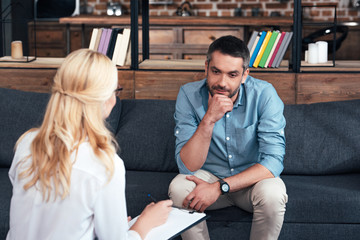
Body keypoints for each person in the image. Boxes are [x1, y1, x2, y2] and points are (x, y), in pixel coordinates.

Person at [7, 49, 172, 240]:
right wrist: (145, 222)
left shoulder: (27, 143)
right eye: (115, 90)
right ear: (107, 99)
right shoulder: (105, 163)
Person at [168, 35, 288, 240]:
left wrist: (220, 187)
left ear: (244, 75)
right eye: (216, 72)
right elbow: (187, 166)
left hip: (251, 181)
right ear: (206, 67)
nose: (222, 83)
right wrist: (208, 120)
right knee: (179, 188)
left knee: (274, 193)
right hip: (206, 176)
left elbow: (273, 162)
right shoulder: (188, 95)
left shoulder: (264, 94)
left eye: (232, 75)